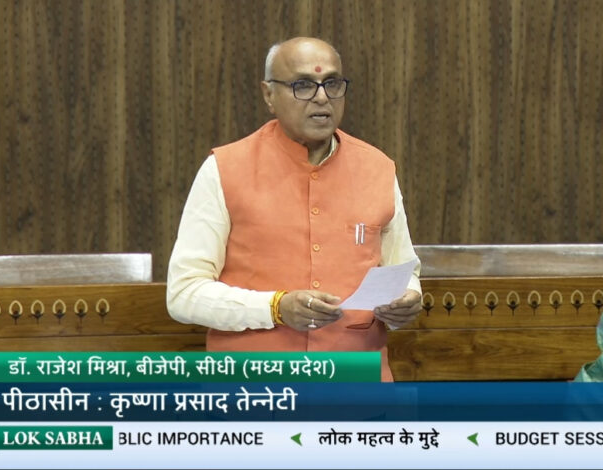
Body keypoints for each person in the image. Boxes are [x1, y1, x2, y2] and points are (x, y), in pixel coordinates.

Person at [166, 37, 421, 381]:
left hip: (356, 385)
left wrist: (407, 301)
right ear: (269, 95)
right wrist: (275, 308)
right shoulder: (223, 169)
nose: (322, 97)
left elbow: (404, 272)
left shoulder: (378, 169)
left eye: (332, 83)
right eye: (303, 85)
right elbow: (183, 294)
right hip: (255, 387)